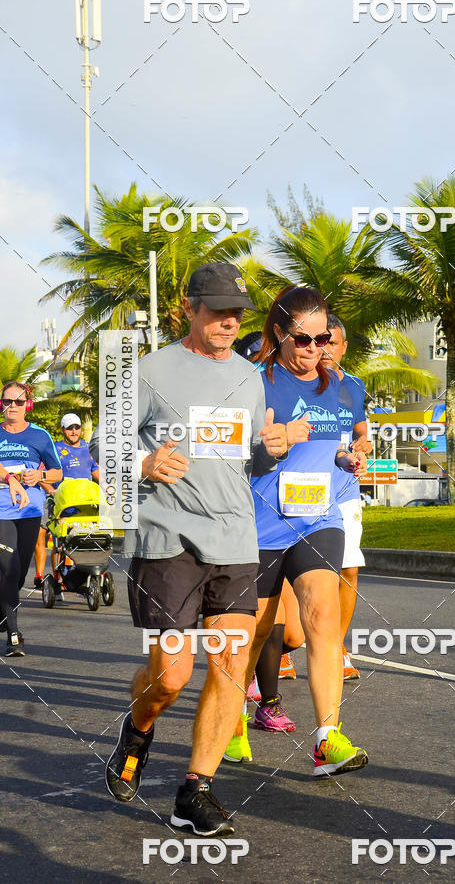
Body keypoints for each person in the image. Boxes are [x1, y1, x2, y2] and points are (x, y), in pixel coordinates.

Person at [95, 263, 288, 837]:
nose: (229, 322)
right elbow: (109, 454)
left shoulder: (250, 378)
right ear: (188, 308)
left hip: (234, 540)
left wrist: (271, 450)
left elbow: (246, 459)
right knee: (173, 676)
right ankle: (139, 727)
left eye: (237, 314)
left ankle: (194, 791)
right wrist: (144, 464)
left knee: (230, 665)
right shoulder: (150, 372)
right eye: (217, 311)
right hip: (167, 539)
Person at [225, 287, 368, 778]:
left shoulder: (343, 388)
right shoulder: (254, 383)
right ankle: (234, 721)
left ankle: (328, 738)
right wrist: (270, 449)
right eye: (302, 338)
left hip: (318, 519)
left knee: (322, 619)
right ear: (279, 334)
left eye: (322, 337)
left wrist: (349, 457)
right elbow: (234, 454)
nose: (313, 348)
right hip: (261, 522)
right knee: (257, 631)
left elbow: (340, 446)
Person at [320, 314, 373, 680]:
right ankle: (284, 648)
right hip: (299, 492)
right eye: (318, 341)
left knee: (348, 569)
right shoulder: (293, 380)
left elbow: (362, 433)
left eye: (332, 342)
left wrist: (364, 446)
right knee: (291, 573)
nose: (325, 350)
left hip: (344, 489)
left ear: (343, 347)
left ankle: (337, 647)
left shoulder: (354, 385)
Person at [0, 381, 62, 656]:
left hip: (29, 512)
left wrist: (40, 476)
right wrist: (10, 478)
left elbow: (57, 473)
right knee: (7, 567)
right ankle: (14, 633)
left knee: (18, 572)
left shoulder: (40, 435)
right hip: (1, 511)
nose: (12, 406)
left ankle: (4, 615)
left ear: (28, 405)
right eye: (7, 401)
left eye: (18, 402)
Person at [33, 412, 100, 590]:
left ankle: (84, 575)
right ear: (63, 430)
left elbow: (96, 472)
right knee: (61, 542)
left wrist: (110, 488)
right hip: (61, 504)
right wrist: (50, 490)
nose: (74, 431)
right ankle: (59, 577)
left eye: (76, 427)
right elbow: (39, 475)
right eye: (69, 428)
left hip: (85, 505)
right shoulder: (54, 449)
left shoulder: (89, 448)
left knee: (86, 541)